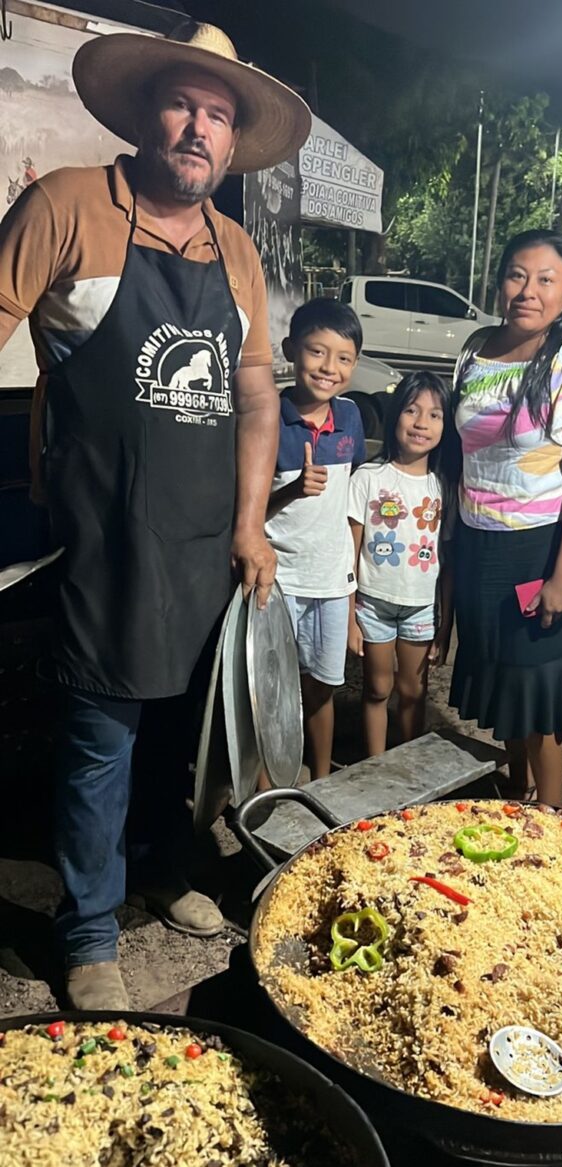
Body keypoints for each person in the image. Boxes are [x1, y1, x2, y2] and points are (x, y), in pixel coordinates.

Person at [0, 22, 311, 1009]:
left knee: (185, 721)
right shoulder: (67, 206)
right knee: (103, 731)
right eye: (183, 104)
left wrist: (252, 522)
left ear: (231, 142)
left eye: (218, 116)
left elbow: (258, 398)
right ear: (146, 113)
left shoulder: (236, 250)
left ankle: (166, 866)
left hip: (206, 533)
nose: (198, 128)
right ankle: (89, 930)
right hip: (104, 532)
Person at [448, 229, 562, 806]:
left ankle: (550, 819)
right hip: (480, 545)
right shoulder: (476, 350)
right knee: (503, 675)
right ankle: (516, 789)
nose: (529, 290)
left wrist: (561, 575)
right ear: (500, 281)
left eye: (547, 280)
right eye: (518, 275)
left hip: (543, 547)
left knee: (538, 682)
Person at [265, 298, 367, 779]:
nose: (329, 368)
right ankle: (264, 790)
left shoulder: (351, 418)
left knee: (322, 688)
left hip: (330, 580)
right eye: (316, 352)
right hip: (278, 581)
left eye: (343, 357)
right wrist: (290, 489)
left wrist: (353, 589)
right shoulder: (266, 417)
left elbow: (354, 501)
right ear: (290, 350)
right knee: (271, 691)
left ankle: (322, 779)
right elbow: (243, 512)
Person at [348, 372, 453, 755]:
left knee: (414, 691)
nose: (422, 423)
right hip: (372, 604)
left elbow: (448, 562)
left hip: (422, 607)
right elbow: (351, 551)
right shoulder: (368, 478)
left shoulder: (444, 486)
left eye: (435, 414)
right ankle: (376, 765)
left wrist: (446, 625)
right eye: (411, 410)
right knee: (378, 688)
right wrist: (349, 617)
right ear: (395, 415)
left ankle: (406, 767)